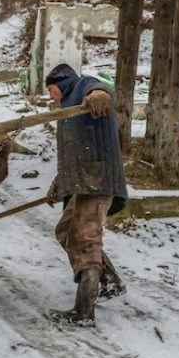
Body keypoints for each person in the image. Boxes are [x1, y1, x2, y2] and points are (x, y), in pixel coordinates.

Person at [44, 63, 128, 326]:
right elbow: (74, 153)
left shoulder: (83, 86)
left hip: (97, 180)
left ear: (61, 82)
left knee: (85, 241)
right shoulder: (68, 109)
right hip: (81, 182)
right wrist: (60, 182)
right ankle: (110, 281)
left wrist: (100, 95)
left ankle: (83, 313)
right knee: (65, 231)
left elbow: (99, 88)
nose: (50, 96)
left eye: (51, 90)